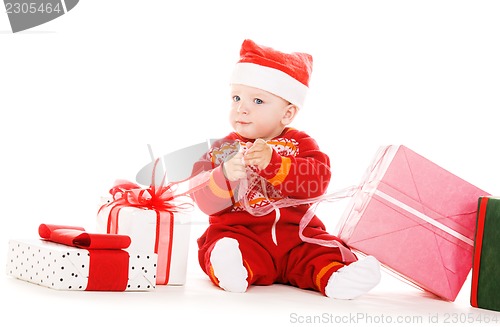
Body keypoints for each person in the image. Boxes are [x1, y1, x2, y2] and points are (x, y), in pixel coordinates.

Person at [190, 39, 381, 299]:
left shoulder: (299, 143)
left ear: (287, 113)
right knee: (220, 243)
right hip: (243, 234)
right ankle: (230, 267)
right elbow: (201, 196)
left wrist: (275, 164)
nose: (241, 108)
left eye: (257, 101)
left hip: (295, 237)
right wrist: (222, 176)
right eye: (236, 98)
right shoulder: (225, 148)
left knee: (321, 249)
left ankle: (337, 277)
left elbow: (317, 181)